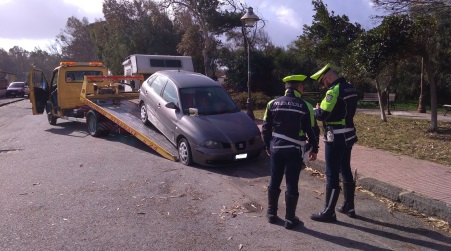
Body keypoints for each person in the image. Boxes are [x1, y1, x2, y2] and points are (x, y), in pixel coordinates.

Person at [261, 75, 319, 230]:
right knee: (292, 182)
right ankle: (290, 219)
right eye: (302, 86)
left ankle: (272, 214)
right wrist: (315, 148)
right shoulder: (306, 105)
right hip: (294, 150)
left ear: (286, 88)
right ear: (299, 87)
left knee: (275, 179)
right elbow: (312, 130)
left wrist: (267, 145)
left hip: (276, 148)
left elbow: (265, 128)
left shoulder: (272, 103)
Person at [309, 64, 359, 222]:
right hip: (349, 135)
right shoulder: (350, 88)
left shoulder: (334, 91)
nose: (324, 86)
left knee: (331, 172)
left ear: (328, 77)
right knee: (345, 169)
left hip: (335, 138)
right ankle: (349, 206)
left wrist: (316, 109)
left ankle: (329, 212)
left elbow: (322, 114)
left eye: (323, 82)